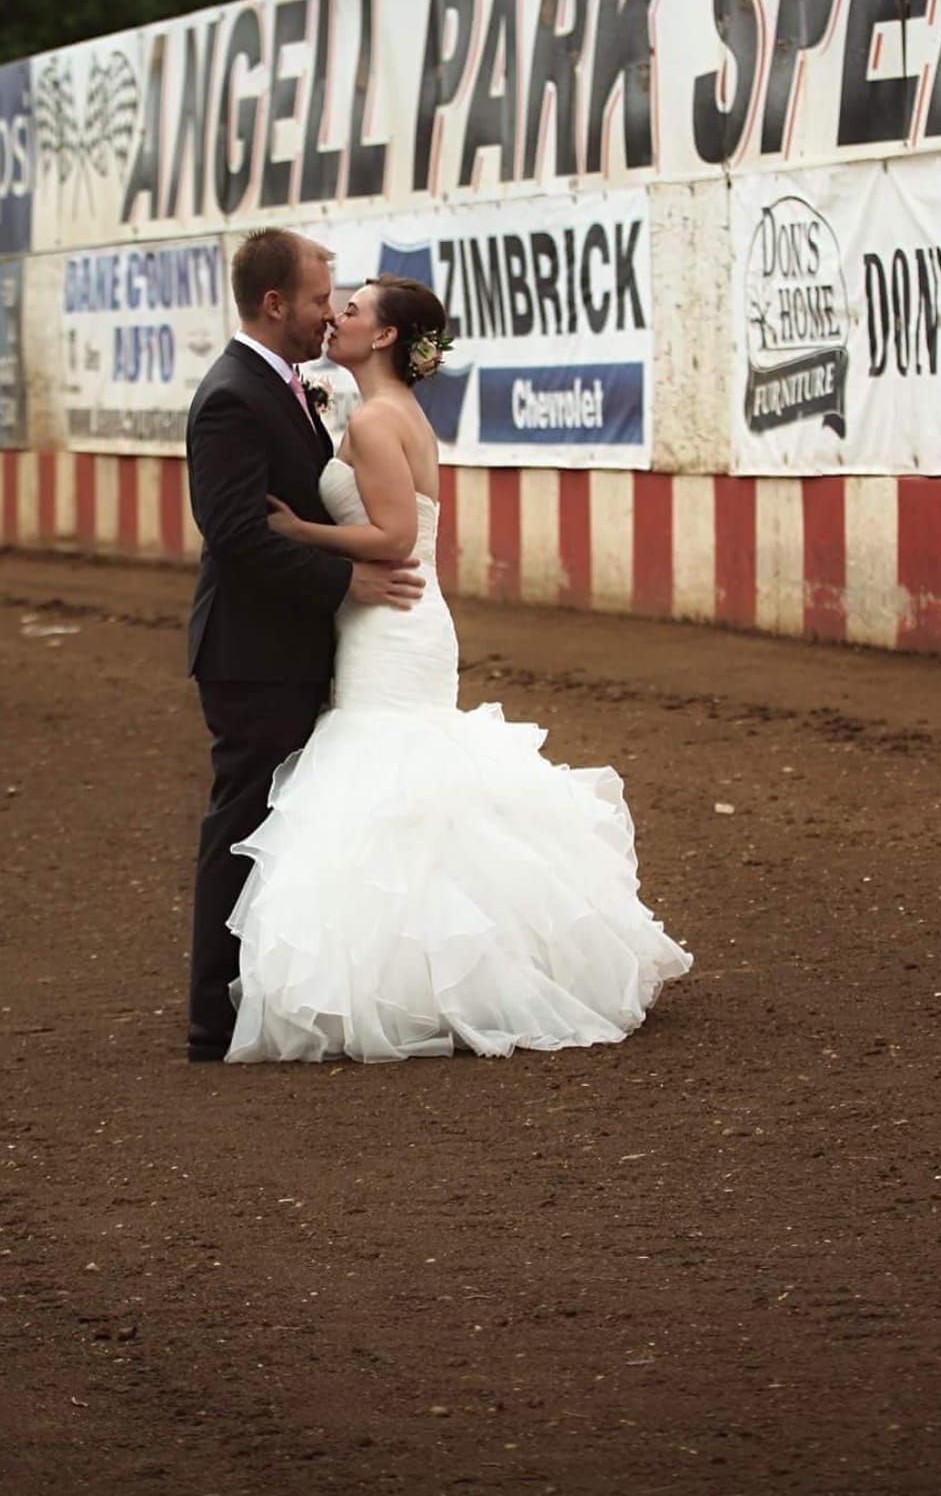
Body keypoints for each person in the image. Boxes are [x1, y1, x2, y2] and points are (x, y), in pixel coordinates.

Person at [223, 273, 692, 1062]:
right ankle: (440, 975)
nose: (334, 315)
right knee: (410, 791)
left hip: (392, 619)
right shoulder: (392, 412)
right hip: (398, 620)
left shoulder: (376, 419)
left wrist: (301, 529)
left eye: (352, 308)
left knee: (393, 784)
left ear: (381, 338)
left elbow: (395, 539)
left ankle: (424, 984)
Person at [185, 229, 424, 1063]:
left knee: (285, 826)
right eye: (322, 299)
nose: (330, 314)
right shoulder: (232, 395)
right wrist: (343, 584)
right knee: (245, 823)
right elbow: (236, 534)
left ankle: (271, 999)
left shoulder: (287, 387)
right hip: (251, 653)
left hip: (296, 646)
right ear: (276, 303)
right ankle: (215, 1019)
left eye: (340, 302)